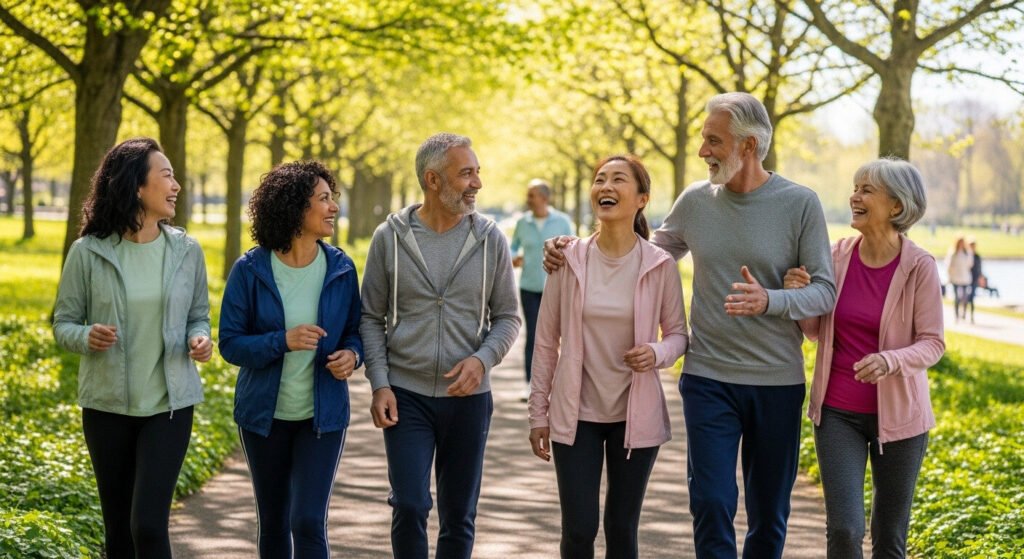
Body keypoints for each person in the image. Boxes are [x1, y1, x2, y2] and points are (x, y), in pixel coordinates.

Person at [545, 92, 836, 558]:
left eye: (713, 141)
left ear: (749, 145)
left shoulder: (800, 204)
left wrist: (773, 299)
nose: (703, 151)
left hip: (776, 380)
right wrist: (571, 249)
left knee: (769, 512)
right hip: (708, 377)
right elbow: (641, 253)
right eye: (703, 139)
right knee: (711, 502)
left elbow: (824, 290)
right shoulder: (696, 202)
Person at [359, 132, 521, 559]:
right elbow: (370, 317)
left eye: (477, 172)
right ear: (433, 180)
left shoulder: (490, 238)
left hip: (468, 400)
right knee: (410, 504)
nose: (477, 183)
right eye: (466, 173)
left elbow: (508, 317)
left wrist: (482, 361)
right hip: (406, 396)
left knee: (458, 514)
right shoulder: (389, 238)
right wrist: (380, 383)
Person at [52, 137, 212, 558]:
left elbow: (199, 314)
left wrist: (201, 338)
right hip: (107, 408)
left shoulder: (186, 250)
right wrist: (86, 336)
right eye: (167, 175)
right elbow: (62, 323)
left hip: (169, 406)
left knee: (148, 525)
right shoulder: (88, 252)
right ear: (137, 187)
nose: (176, 184)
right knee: (119, 529)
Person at [528, 155, 688, 558]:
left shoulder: (659, 263)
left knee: (621, 529)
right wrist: (538, 414)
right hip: (575, 413)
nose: (606, 186)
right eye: (600, 179)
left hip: (635, 416)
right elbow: (546, 341)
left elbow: (678, 336)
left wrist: (656, 352)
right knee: (579, 530)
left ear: (641, 199)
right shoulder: (568, 259)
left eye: (619, 179)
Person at [783, 158, 944, 557]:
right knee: (844, 529)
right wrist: (799, 296)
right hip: (837, 412)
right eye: (856, 187)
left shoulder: (919, 267)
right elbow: (816, 330)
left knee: (889, 536)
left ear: (896, 206)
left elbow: (932, 343)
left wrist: (890, 360)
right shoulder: (836, 257)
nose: (855, 196)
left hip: (902, 421)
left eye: (867, 190)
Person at [219, 160, 363, 558]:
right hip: (264, 418)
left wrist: (352, 355)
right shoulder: (251, 269)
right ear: (296, 208)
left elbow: (356, 330)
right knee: (276, 521)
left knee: (308, 521)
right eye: (323, 199)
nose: (333, 207)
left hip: (322, 417)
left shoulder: (341, 267)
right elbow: (230, 343)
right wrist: (281, 341)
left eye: (332, 198)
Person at [510, 178, 574, 399]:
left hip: (556, 289)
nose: (528, 199)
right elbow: (513, 246)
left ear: (544, 198)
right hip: (529, 287)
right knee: (534, 336)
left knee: (562, 335)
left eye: (532, 195)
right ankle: (531, 385)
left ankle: (560, 384)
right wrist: (513, 258)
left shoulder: (562, 221)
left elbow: (575, 247)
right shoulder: (522, 223)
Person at [945, 236, 973, 322]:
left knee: (964, 297)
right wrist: (950, 276)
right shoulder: (953, 253)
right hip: (955, 278)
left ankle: (964, 313)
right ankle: (956, 316)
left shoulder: (967, 252)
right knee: (957, 297)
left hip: (965, 278)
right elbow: (949, 265)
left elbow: (970, 264)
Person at [968, 238, 984, 323]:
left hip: (974, 279)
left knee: (972, 297)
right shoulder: (966, 255)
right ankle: (963, 313)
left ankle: (971, 316)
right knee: (966, 297)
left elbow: (980, 268)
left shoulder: (977, 256)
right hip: (966, 279)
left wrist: (981, 278)